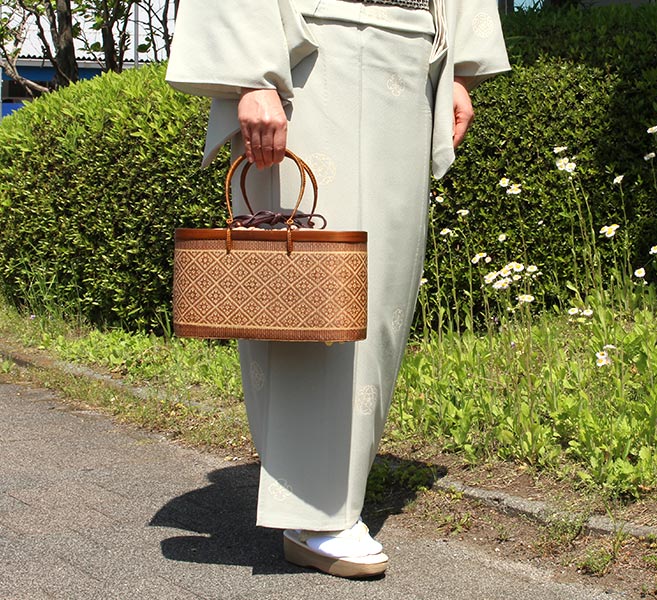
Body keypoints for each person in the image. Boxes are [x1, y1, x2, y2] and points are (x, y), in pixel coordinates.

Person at [165, 0, 509, 579]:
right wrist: (252, 76)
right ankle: (314, 512)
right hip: (311, 56)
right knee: (312, 285)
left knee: (381, 286)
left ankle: (333, 494)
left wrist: (457, 71)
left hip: (411, 50)